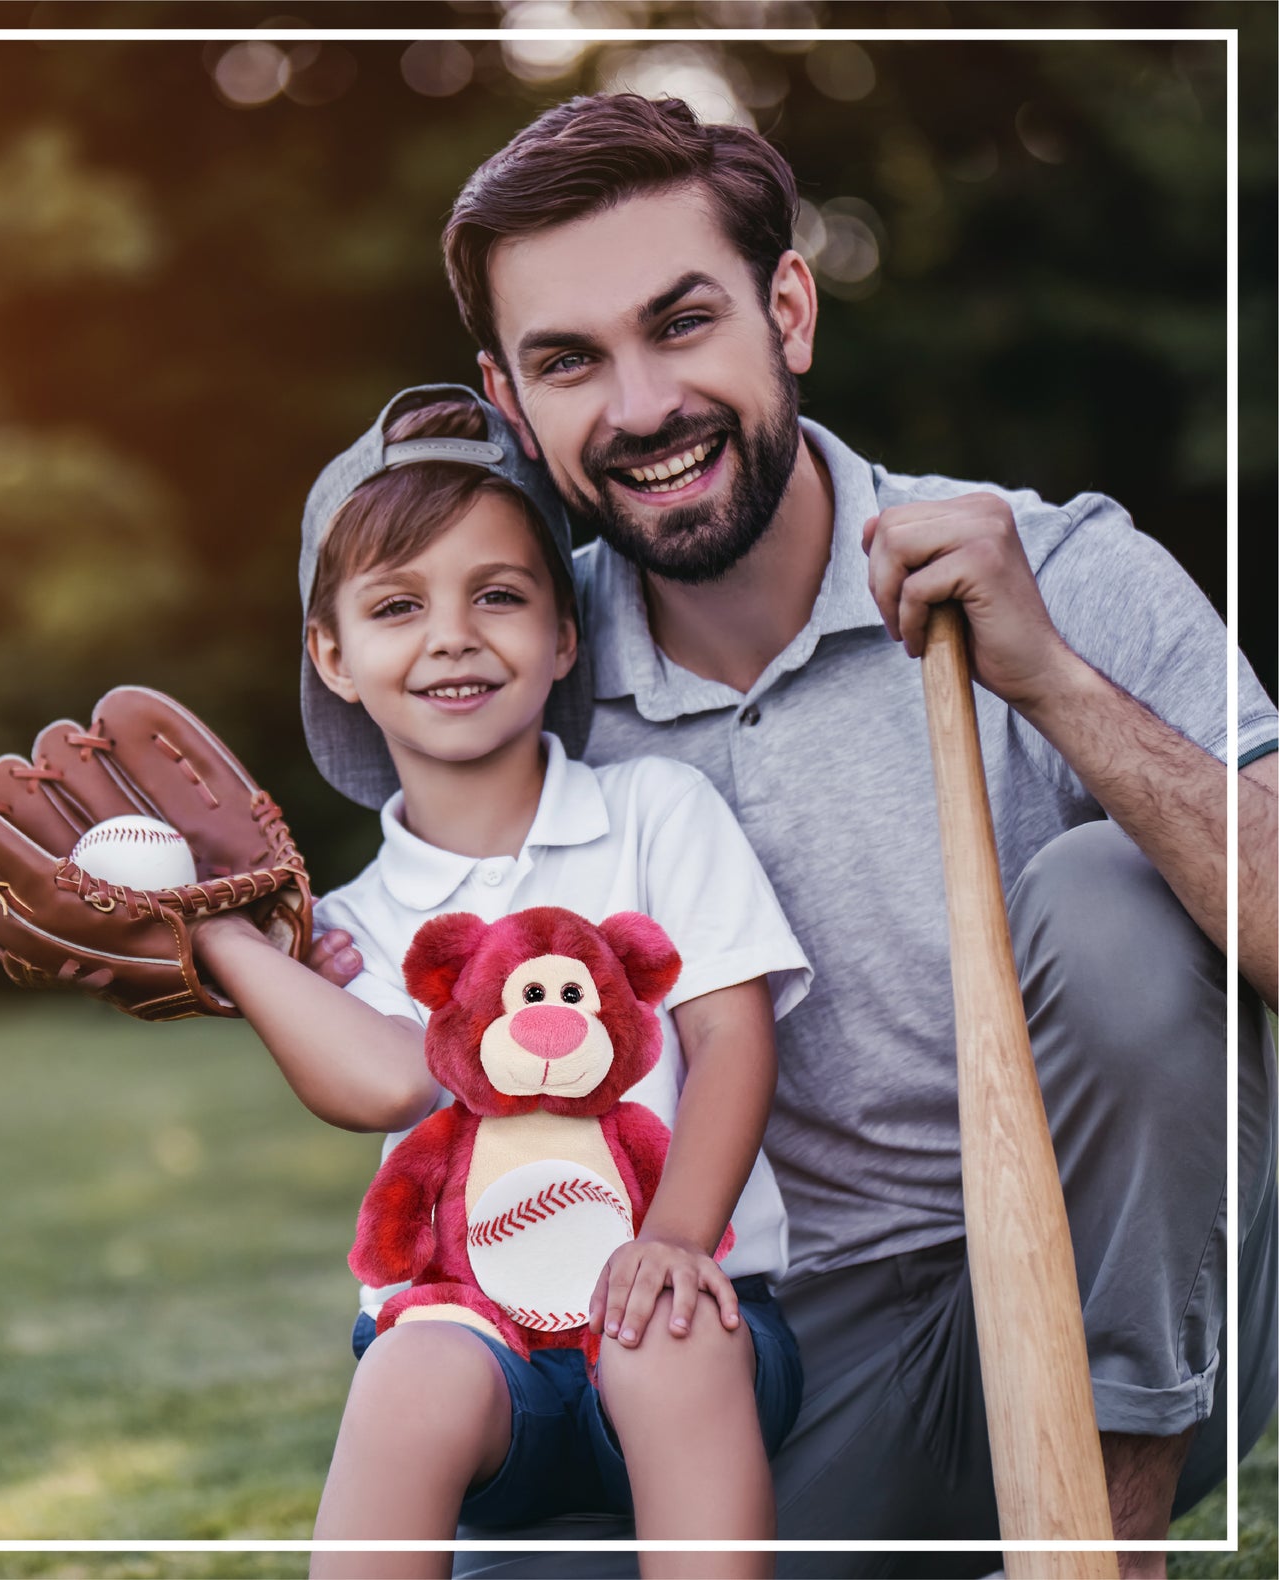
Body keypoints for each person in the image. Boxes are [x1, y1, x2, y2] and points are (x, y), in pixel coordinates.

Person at [311, 94, 1277, 1579]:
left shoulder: (1056, 566)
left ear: (788, 310)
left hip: (1117, 1297)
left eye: (681, 322)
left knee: (1110, 900)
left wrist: (1052, 682)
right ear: (509, 398)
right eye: (569, 361)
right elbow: (396, 934)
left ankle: (1099, 1554)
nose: (640, 406)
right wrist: (217, 940)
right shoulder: (516, 660)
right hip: (763, 1346)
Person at [196, 384, 811, 1580]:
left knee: (666, 1336)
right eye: (396, 604)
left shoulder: (654, 812)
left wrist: (673, 1237)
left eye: (497, 594)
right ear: (332, 654)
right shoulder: (352, 923)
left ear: (564, 633)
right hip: (482, 1351)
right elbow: (386, 1084)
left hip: (693, 1315)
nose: (451, 635)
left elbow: (733, 1039)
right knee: (408, 1368)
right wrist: (226, 938)